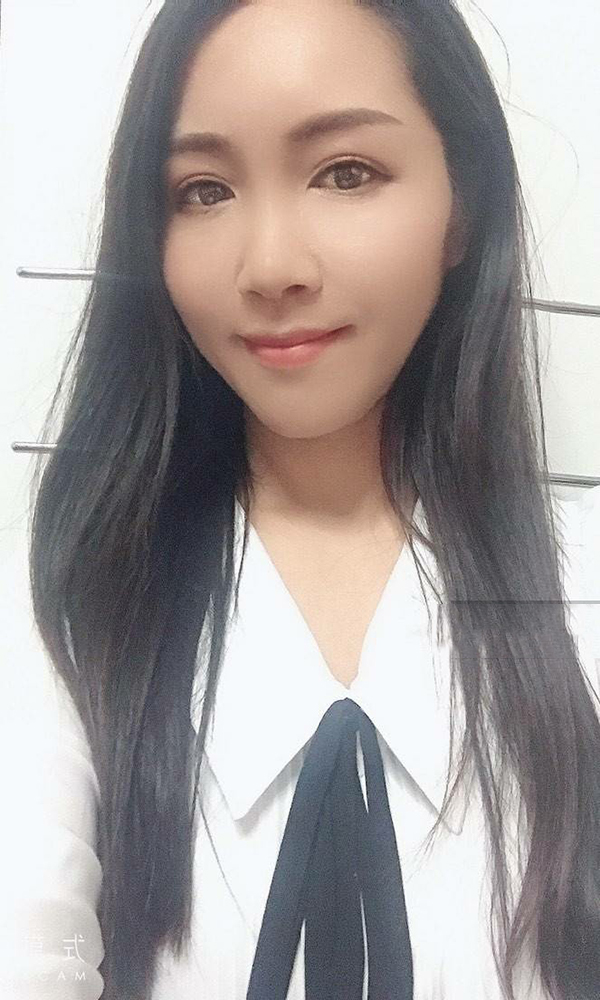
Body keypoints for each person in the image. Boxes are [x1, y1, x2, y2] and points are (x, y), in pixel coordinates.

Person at [2, 1, 599, 998]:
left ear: (462, 206)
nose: (271, 266)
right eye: (202, 191)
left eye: (345, 172)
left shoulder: (583, 599)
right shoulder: (61, 608)